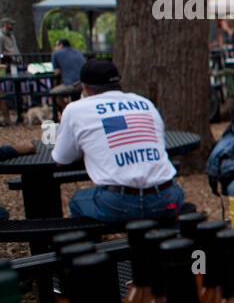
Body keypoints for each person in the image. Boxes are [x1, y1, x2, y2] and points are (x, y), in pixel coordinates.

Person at [53, 59, 185, 221]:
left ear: (84, 88)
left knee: (77, 200)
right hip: (166, 195)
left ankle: (93, 246)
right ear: (119, 83)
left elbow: (62, 159)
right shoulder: (145, 103)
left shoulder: (75, 110)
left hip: (118, 202)